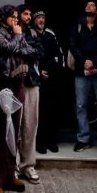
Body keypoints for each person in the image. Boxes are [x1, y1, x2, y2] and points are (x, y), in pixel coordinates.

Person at [0, 4, 36, 193]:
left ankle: (8, 175)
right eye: (13, 17)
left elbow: (29, 50)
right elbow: (8, 47)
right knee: (0, 129)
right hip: (1, 82)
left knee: (13, 129)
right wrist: (17, 38)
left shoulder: (16, 32)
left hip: (18, 81)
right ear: (4, 17)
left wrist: (17, 41)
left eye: (17, 17)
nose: (16, 20)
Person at [69, 1, 97, 152]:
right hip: (81, 71)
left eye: (92, 5)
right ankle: (84, 138)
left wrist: (94, 61)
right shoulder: (78, 25)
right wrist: (83, 60)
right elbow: (72, 44)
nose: (88, 6)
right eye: (87, 5)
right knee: (81, 105)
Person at [16, 4, 42, 184]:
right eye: (26, 14)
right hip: (13, 81)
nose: (28, 16)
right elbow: (8, 51)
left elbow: (39, 52)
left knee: (30, 124)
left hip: (31, 82)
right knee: (14, 125)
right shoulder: (9, 32)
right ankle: (13, 165)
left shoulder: (33, 33)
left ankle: (27, 165)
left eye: (29, 14)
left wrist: (21, 50)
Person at [33, 11, 62, 154]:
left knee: (52, 111)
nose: (41, 20)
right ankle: (40, 142)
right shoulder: (31, 36)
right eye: (38, 18)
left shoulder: (50, 36)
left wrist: (51, 71)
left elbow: (57, 54)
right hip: (38, 80)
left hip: (51, 79)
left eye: (43, 18)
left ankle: (52, 141)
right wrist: (40, 71)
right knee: (40, 112)